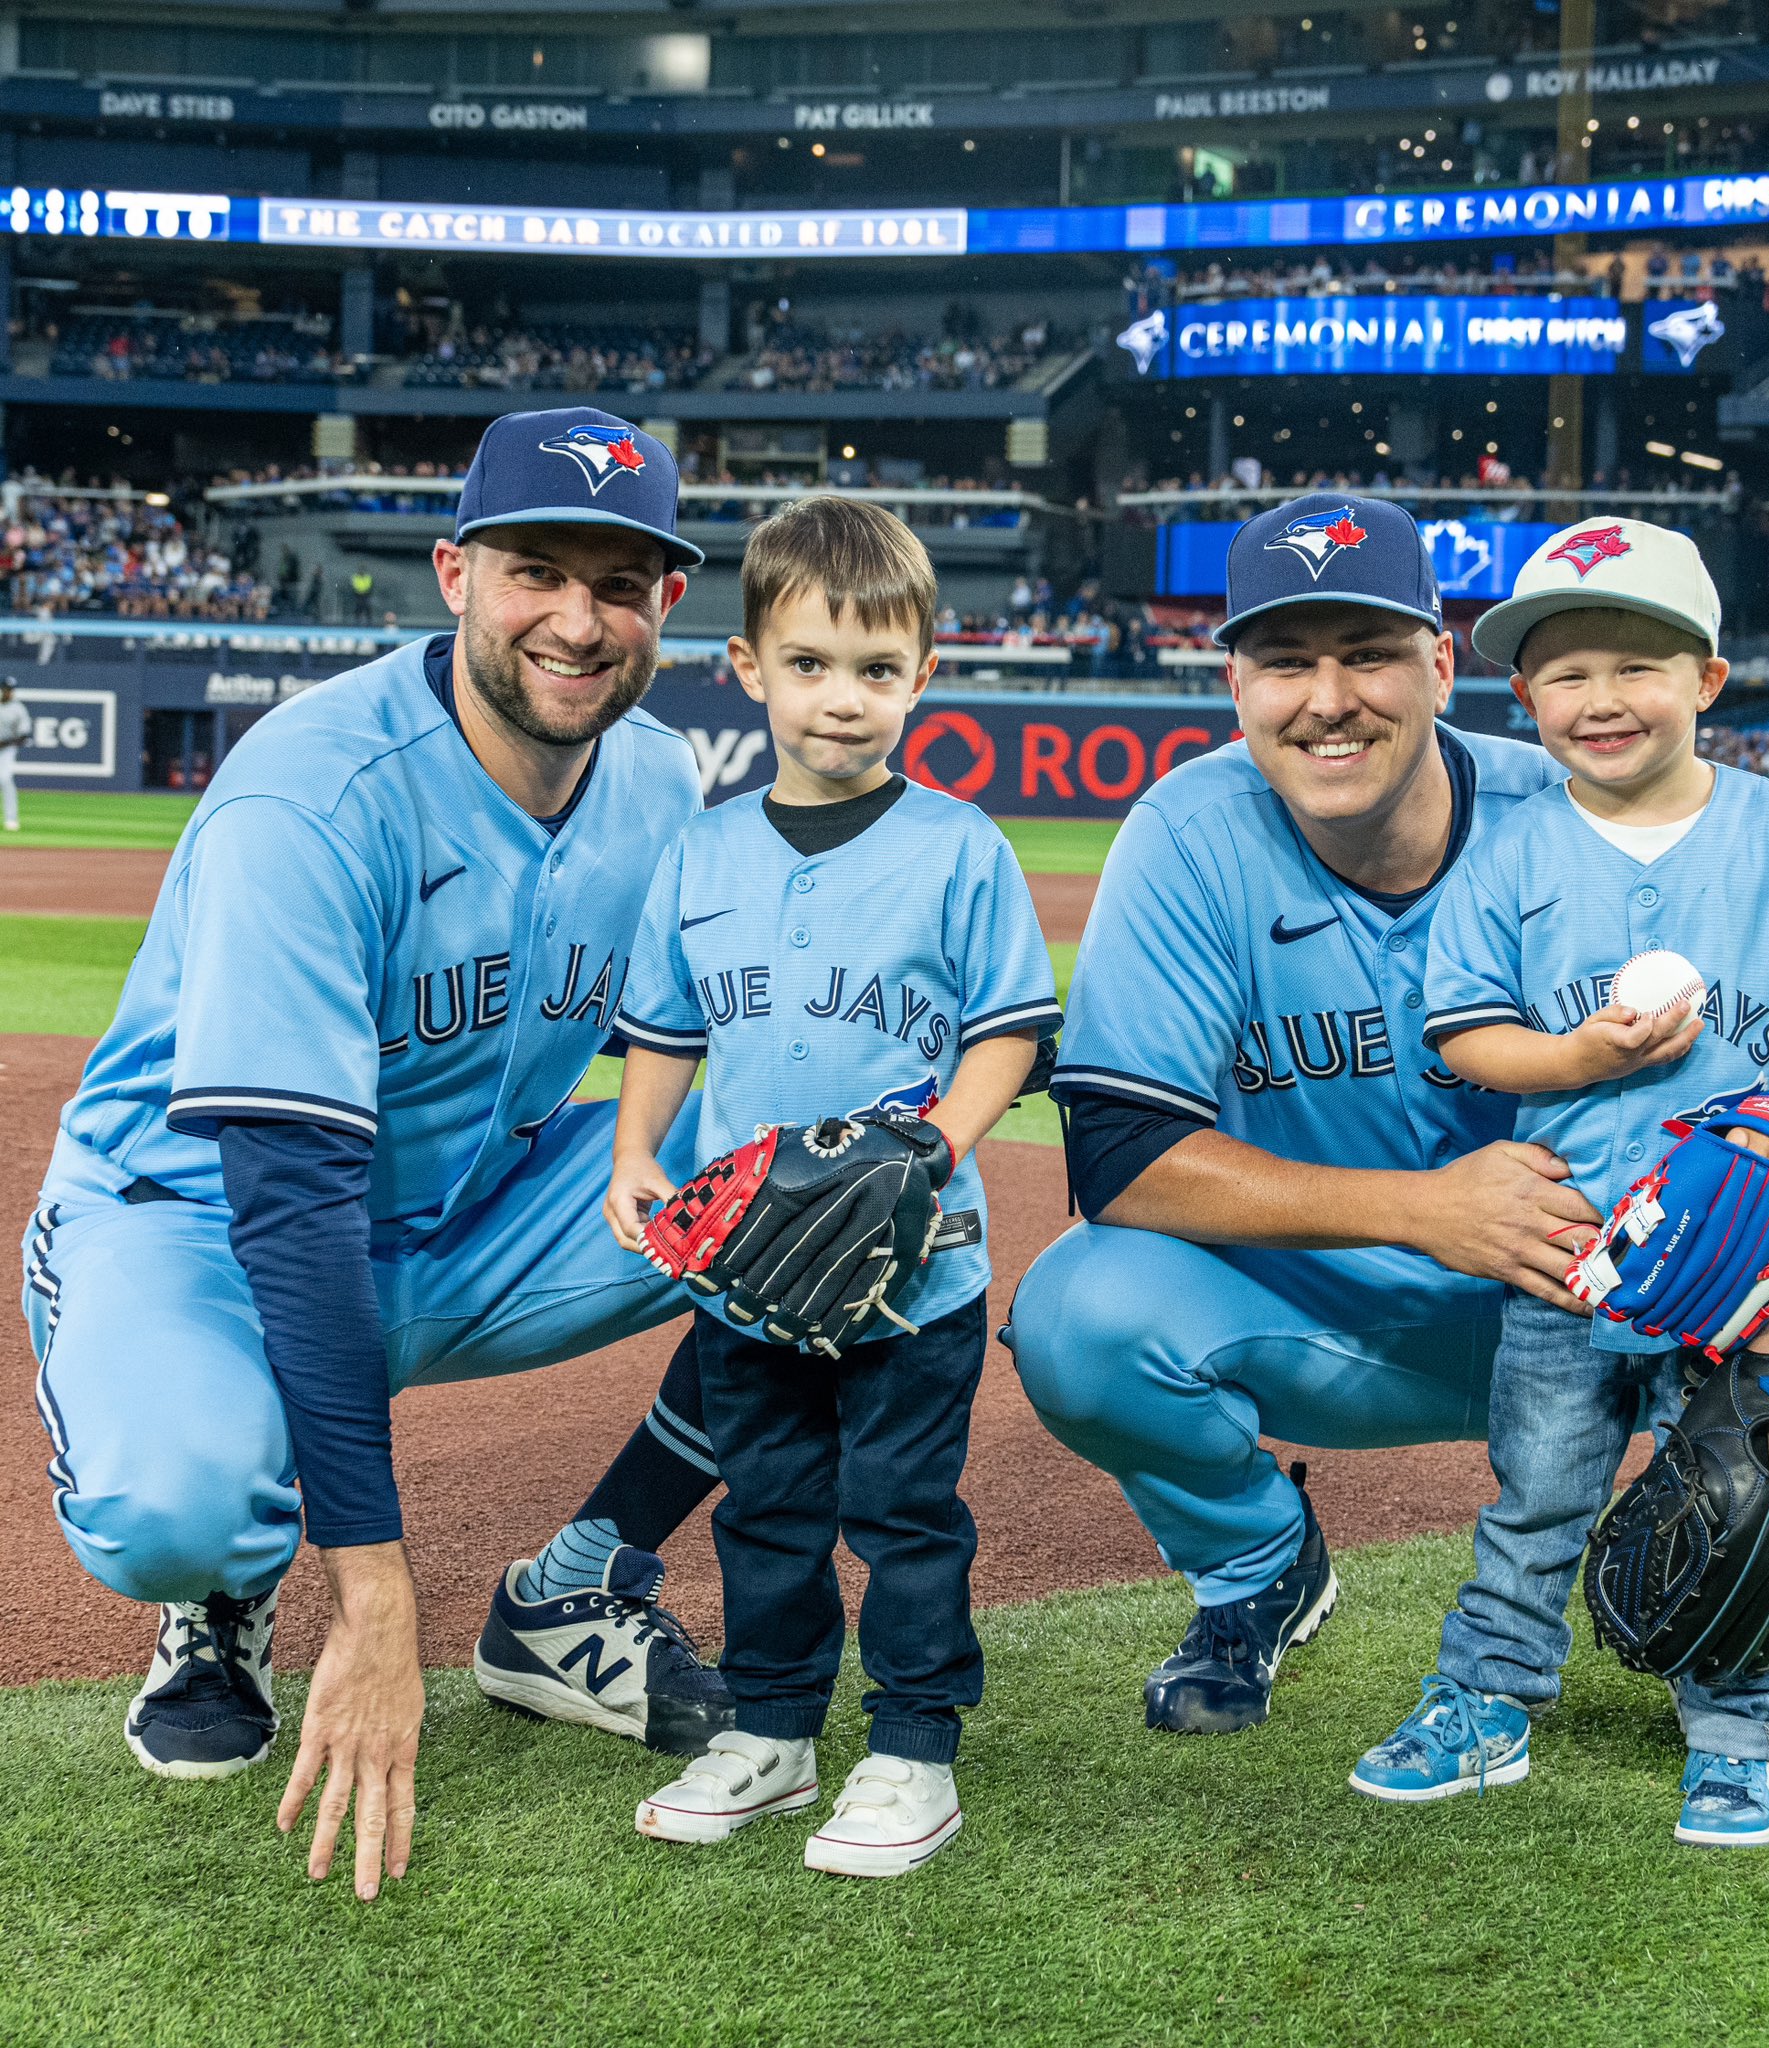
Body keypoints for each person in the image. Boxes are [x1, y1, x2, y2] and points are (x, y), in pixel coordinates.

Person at [1005, 495, 1769, 1754]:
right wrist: (1424, 1211)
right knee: (1078, 1316)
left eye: (1364, 651)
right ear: (1233, 681)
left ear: (1436, 662)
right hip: (1339, 1315)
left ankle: (1713, 1536)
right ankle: (1256, 1564)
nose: (1326, 697)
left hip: (1624, 1299)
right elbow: (1115, 1156)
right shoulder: (1188, 838)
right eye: (1284, 659)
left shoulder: (1581, 803)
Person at [20, 408, 748, 1903]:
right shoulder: (316, 794)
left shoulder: (662, 787)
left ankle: (575, 1590)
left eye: (618, 582)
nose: (576, 616)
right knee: (171, 1508)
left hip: (464, 1218)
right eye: (536, 568)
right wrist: (373, 1598)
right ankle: (227, 1597)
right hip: (202, 1227)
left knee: (849, 1182)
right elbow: (288, 1202)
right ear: (454, 574)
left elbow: (712, 1044)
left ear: (668, 605)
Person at [1346, 520, 1769, 1848]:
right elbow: (1466, 1035)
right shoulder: (1510, 851)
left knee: (1738, 1490)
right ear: (1524, 698)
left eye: (1640, 665)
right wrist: (1575, 1052)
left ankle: (1738, 1722)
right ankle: (1487, 1700)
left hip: (1747, 1261)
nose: (1603, 699)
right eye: (1569, 672)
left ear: (1708, 679)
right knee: (1535, 1488)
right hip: (1572, 1249)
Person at [603, 497, 1059, 1879]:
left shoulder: (960, 848)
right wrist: (637, 1154)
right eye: (809, 665)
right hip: (749, 1265)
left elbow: (1011, 1029)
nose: (842, 699)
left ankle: (915, 1746)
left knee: (906, 1516)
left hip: (918, 1271)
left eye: (876, 670)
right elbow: (669, 1029)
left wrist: (936, 1146)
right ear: (747, 670)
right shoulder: (704, 853)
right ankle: (776, 1727)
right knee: (768, 1510)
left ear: (925, 675)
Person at [0, 675, 31, 830]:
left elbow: (24, 736)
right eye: (6, 689)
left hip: (6, 750)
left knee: (5, 779)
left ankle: (11, 818)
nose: (8, 692)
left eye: (11, 690)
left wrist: (4, 743)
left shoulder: (18, 708)